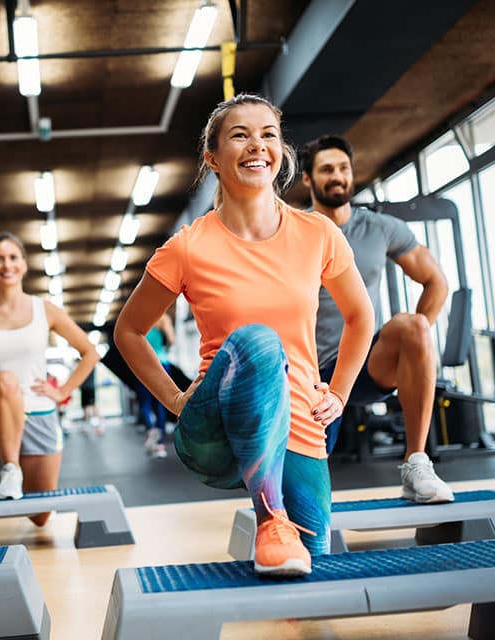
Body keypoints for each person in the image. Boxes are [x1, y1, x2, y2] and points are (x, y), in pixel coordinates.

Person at [115, 94, 374, 576]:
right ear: (212, 158)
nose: (257, 145)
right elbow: (128, 331)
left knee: (310, 564)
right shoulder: (189, 246)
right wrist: (174, 399)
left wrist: (338, 392)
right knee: (258, 340)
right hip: (217, 428)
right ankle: (270, 519)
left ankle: (282, 544)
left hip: (297, 421)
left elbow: (362, 316)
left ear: (281, 151)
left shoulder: (317, 234)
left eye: (268, 134)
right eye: (240, 135)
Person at [302, 134, 453, 504]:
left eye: (342, 168)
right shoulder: (294, 230)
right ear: (308, 179)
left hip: (365, 361)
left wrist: (416, 349)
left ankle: (416, 464)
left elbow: (436, 282)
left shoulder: (380, 228)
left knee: (413, 326)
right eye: (326, 170)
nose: (337, 176)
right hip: (310, 370)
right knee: (305, 494)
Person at [0, 232, 100, 523]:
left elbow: (90, 352)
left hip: (39, 414)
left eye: (13, 257)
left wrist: (61, 391)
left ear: (24, 265)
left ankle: (15, 469)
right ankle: (11, 467)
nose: (6, 265)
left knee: (40, 517)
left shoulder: (45, 310)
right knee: (4, 380)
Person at [138, 314, 175, 458]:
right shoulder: (164, 319)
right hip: (162, 362)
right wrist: (164, 347)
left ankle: (151, 429)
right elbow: (171, 340)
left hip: (144, 364)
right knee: (160, 403)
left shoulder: (140, 318)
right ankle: (160, 444)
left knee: (145, 403)